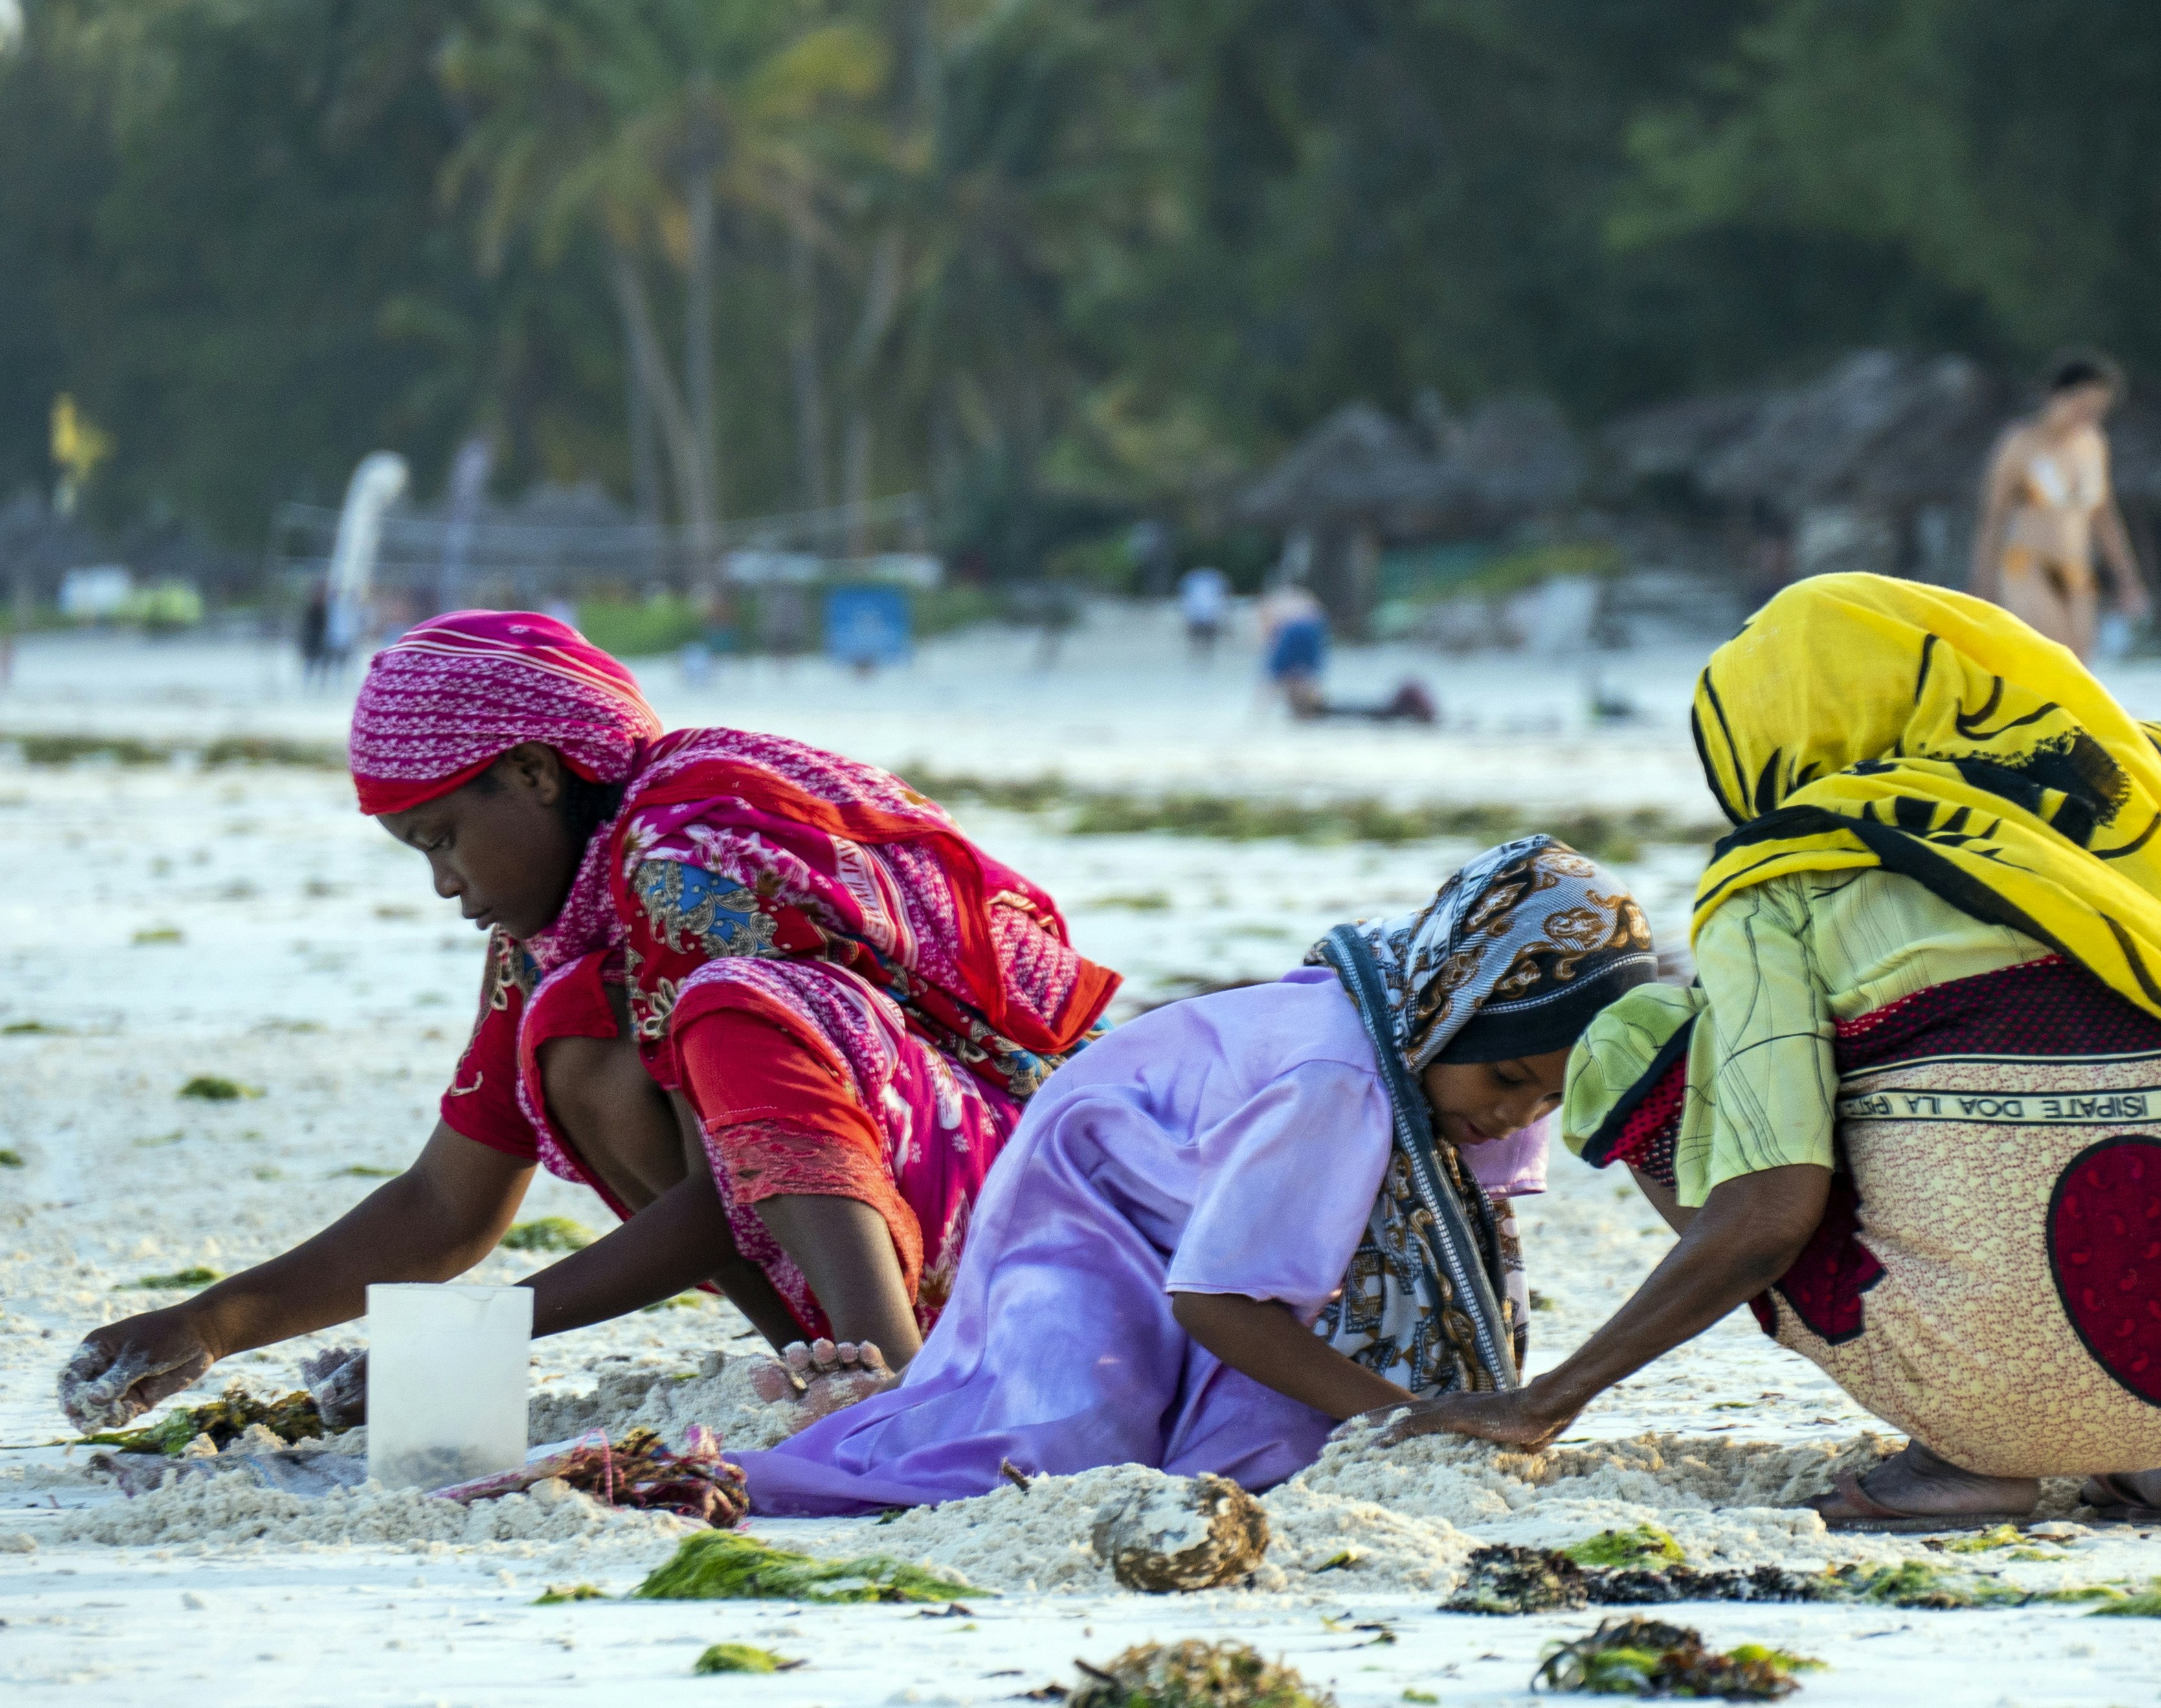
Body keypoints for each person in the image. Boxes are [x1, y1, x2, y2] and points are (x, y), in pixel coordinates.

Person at [1393, 575, 2161, 1525]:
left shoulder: (1787, 875)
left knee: (1654, 1042)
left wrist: (1546, 1401)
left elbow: (1772, 1205)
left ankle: (1970, 1456)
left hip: (1993, 1385)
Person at [58, 610, 1120, 1434]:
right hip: (942, 1207)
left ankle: (887, 1377)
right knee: (573, 1038)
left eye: (443, 838)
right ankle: (841, 1359)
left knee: (723, 1008)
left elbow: (731, 1194)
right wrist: (212, 1326)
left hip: (1050, 1213)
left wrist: (469, 1340)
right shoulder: (555, 937)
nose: (443, 883)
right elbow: (446, 1204)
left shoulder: (688, 856)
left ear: (532, 773)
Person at [732, 836, 1657, 1514]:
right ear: (1454, 1013)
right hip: (1090, 1212)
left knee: (1282, 1426)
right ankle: (848, 1434)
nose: (1511, 1119)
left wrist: (1402, 1413)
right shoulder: (1339, 1080)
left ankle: (888, 1399)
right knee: (1056, 1454)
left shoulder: (1397, 1031)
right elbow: (1217, 1302)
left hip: (1188, 1216)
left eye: (1544, 1103)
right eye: (1504, 1078)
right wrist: (1412, 1421)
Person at [1971, 352, 2152, 659]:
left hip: (2077, 569)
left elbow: (2105, 517)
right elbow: (1993, 520)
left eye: (2097, 411)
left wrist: (2127, 578)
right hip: (2028, 566)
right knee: (2049, 654)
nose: (2088, 417)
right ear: (2056, 396)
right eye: (2082, 407)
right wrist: (1981, 589)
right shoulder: (2020, 445)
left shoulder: (2094, 443)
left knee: (2080, 660)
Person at [1255, 579, 1328, 716]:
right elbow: (1319, 619)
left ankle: (1259, 714)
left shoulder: (1272, 600)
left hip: (1290, 629)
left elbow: (1268, 631)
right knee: (1310, 676)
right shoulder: (1305, 597)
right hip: (1311, 628)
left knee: (1273, 676)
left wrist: (1274, 657)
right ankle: (1316, 709)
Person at [1178, 565, 1231, 664]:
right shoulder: (1214, 580)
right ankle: (1202, 657)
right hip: (1206, 616)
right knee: (1203, 637)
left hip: (1200, 616)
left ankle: (1199, 657)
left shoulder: (1193, 580)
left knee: (1201, 637)